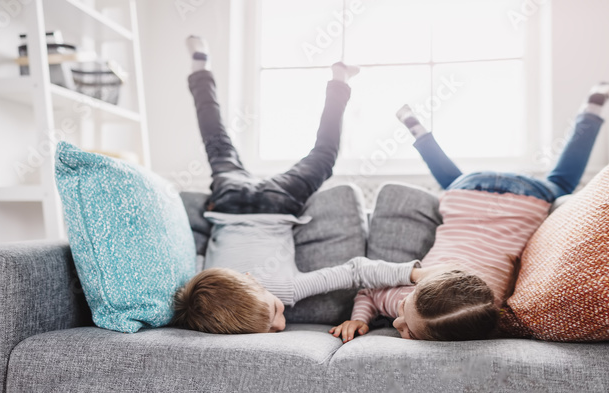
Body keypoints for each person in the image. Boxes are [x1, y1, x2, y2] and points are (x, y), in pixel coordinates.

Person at [171, 36, 442, 334]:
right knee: (217, 143)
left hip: (277, 203)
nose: (280, 323)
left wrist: (416, 274)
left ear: (250, 280)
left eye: (274, 311)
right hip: (228, 201)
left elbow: (356, 271)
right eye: (271, 327)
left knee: (324, 155)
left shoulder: (284, 288)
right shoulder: (200, 282)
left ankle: (340, 79)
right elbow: (194, 260)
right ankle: (200, 67)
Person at [329, 82, 609, 342]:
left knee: (561, 181)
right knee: (452, 185)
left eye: (407, 326)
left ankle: (592, 109)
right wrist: (360, 317)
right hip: (467, 190)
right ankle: (418, 130)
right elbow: (369, 291)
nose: (396, 320)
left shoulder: (438, 308)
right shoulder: (421, 304)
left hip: (524, 197)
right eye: (407, 326)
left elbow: (368, 290)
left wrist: (359, 318)